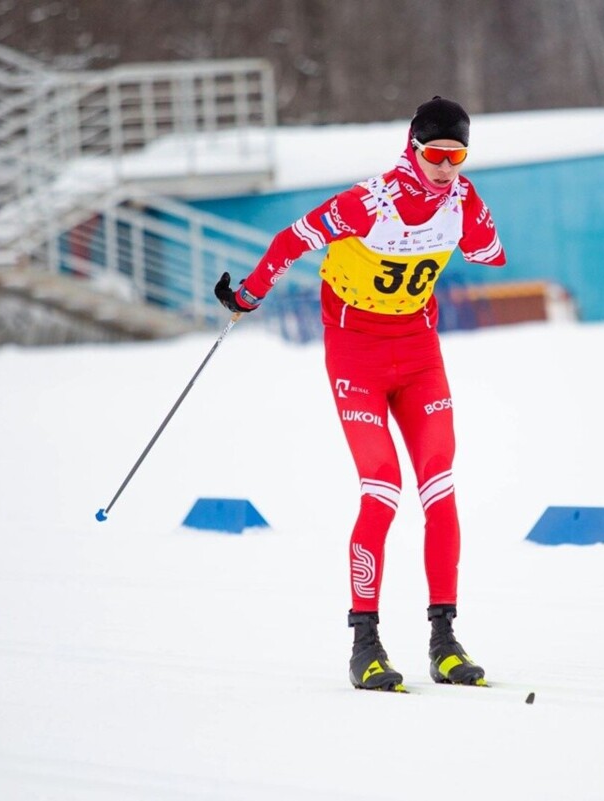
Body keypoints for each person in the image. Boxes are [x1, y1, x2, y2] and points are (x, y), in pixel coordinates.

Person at [215, 96, 505, 691]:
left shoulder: (465, 200)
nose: (447, 166)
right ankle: (365, 643)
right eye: (436, 153)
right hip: (357, 357)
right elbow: (291, 239)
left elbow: (489, 254)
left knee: (440, 486)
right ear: (413, 146)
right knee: (382, 488)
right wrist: (250, 293)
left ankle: (444, 640)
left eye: (458, 154)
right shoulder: (368, 202)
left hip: (420, 356)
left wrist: (474, 225)